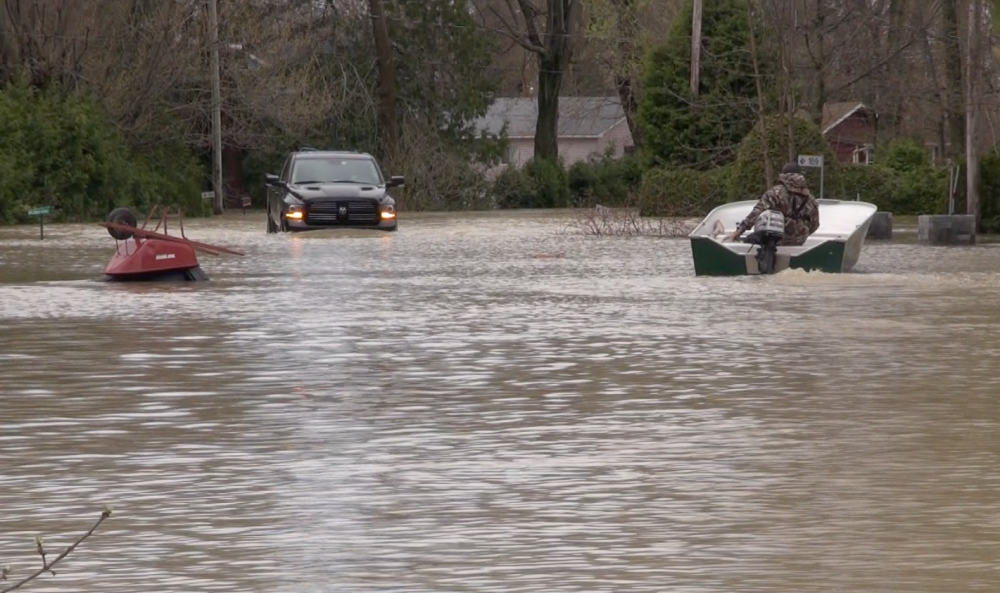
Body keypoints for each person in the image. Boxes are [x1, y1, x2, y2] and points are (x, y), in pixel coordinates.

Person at [726, 162, 820, 245]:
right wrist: (801, 234)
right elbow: (815, 224)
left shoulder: (776, 193)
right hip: (799, 241)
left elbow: (757, 213)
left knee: (748, 241)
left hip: (776, 241)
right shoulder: (809, 198)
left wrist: (739, 231)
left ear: (783, 175)